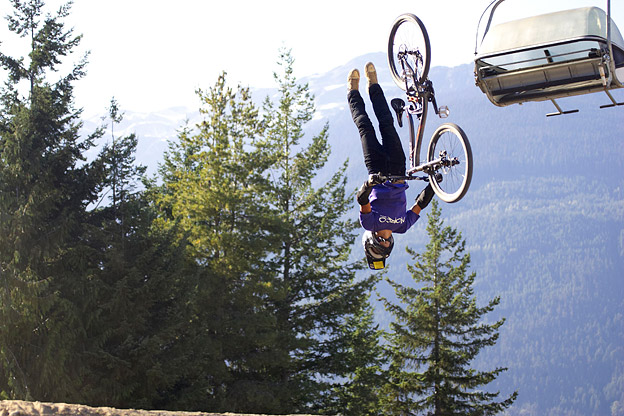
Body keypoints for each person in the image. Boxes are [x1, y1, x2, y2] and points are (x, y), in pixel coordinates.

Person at [347, 62, 435, 270]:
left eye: (379, 247)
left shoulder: (370, 224)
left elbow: (361, 199)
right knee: (386, 122)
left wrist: (369, 183)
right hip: (397, 168)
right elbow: (420, 205)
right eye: (384, 248)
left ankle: (353, 92)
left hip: (376, 169)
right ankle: (374, 85)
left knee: (364, 125)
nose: (384, 244)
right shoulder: (401, 227)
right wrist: (434, 185)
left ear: (371, 243)